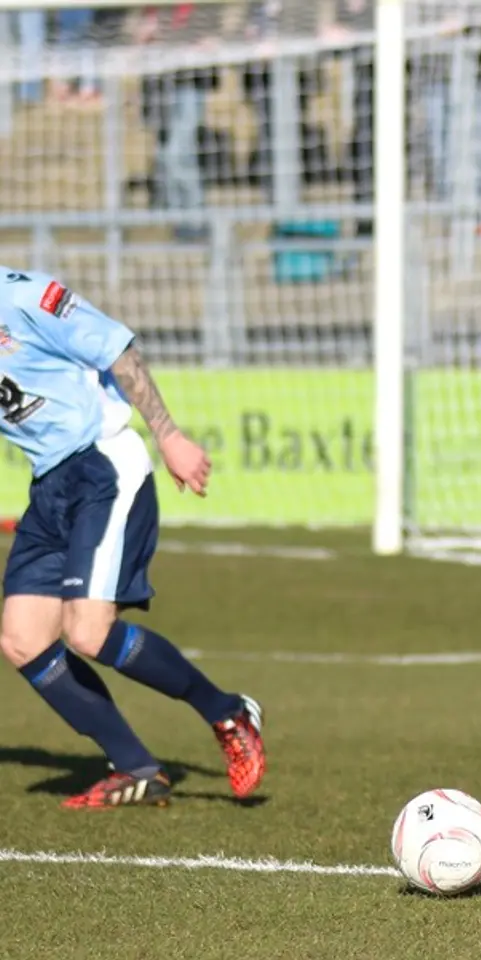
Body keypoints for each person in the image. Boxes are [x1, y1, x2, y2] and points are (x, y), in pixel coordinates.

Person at [0, 270, 266, 808]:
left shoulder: (24, 296)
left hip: (102, 468)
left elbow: (117, 350)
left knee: (89, 631)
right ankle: (136, 766)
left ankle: (227, 711)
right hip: (49, 486)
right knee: (21, 638)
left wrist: (168, 435)